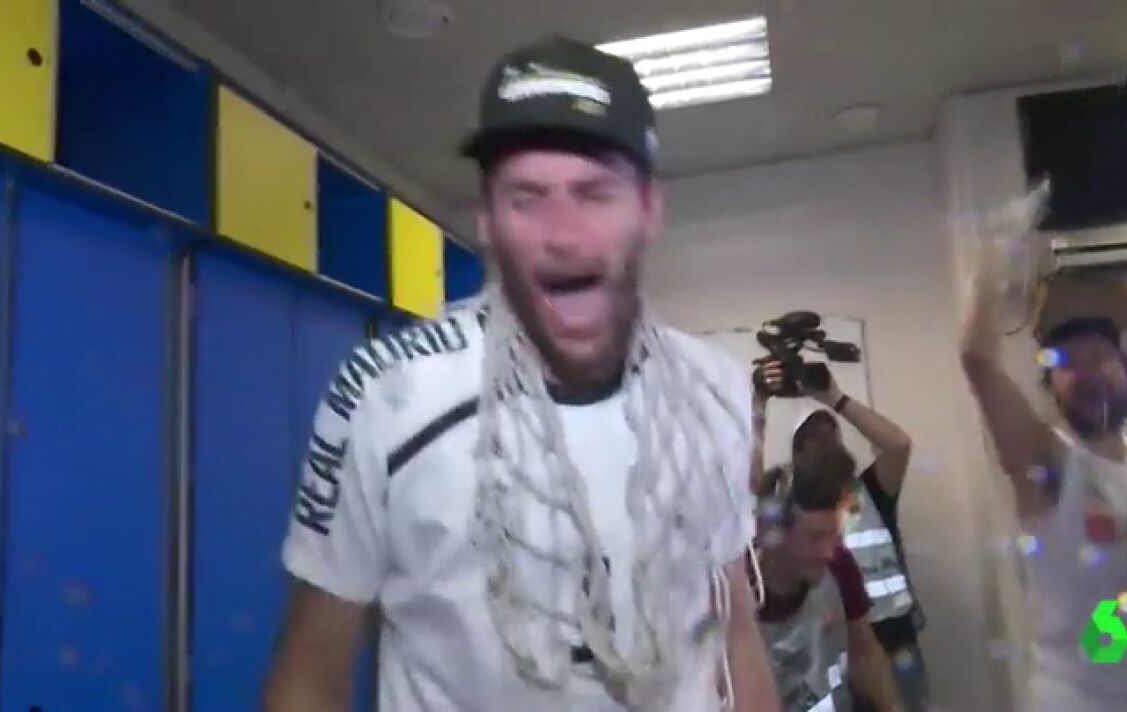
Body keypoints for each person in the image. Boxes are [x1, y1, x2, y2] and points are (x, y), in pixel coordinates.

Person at [263, 36, 778, 712]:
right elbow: (311, 670)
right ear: (486, 219)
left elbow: (735, 633)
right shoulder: (386, 396)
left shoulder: (714, 391)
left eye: (595, 193)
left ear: (649, 208)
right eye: (526, 196)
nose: (563, 234)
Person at [959, 235, 1127, 712]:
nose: (1090, 371)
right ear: (1051, 390)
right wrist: (995, 258)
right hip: (1084, 698)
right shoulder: (1051, 465)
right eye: (1069, 363)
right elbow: (978, 361)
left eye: (1102, 357)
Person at [751, 360, 928, 712]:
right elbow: (752, 488)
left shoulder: (869, 492)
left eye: (828, 433)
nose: (828, 550)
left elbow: (898, 445)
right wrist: (758, 404)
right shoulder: (757, 553)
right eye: (810, 440)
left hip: (889, 641)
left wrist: (834, 398)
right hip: (826, 649)